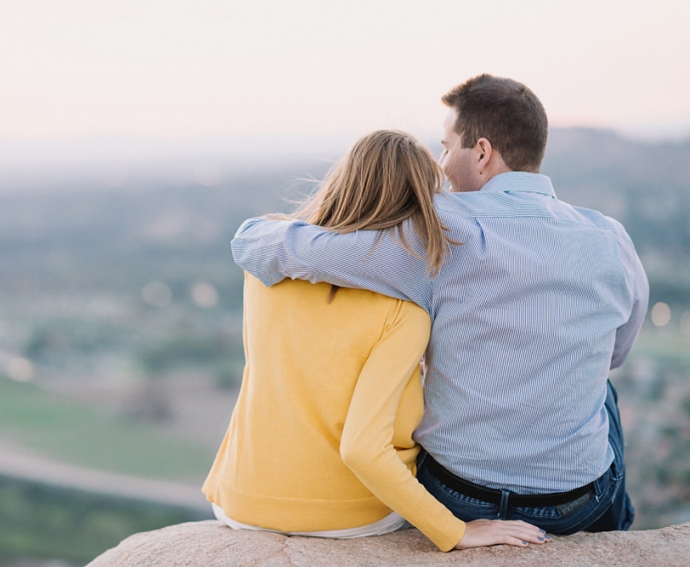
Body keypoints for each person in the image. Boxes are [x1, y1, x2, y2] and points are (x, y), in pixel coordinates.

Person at [230, 75, 648, 534]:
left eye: (447, 148)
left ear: (483, 153)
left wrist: (254, 229)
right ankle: (615, 532)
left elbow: (274, 249)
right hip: (575, 504)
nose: (443, 166)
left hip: (457, 494)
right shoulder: (610, 237)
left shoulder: (438, 234)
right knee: (601, 392)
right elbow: (616, 353)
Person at [202, 130, 548, 551]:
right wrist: (455, 531)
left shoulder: (265, 273)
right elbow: (363, 449)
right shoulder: (404, 311)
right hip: (352, 515)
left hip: (241, 502)